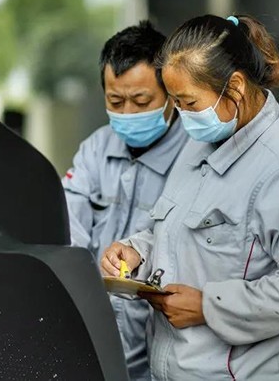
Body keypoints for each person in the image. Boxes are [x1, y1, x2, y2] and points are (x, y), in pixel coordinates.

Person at [101, 14, 279, 380]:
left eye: (188, 102)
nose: (182, 116)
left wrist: (208, 307)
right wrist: (136, 252)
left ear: (233, 87)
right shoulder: (199, 142)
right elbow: (176, 235)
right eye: (175, 102)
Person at [62, 21, 189, 381]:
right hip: (95, 329)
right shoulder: (95, 150)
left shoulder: (196, 158)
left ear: (171, 95)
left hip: (164, 339)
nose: (129, 113)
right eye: (116, 101)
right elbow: (68, 225)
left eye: (142, 101)